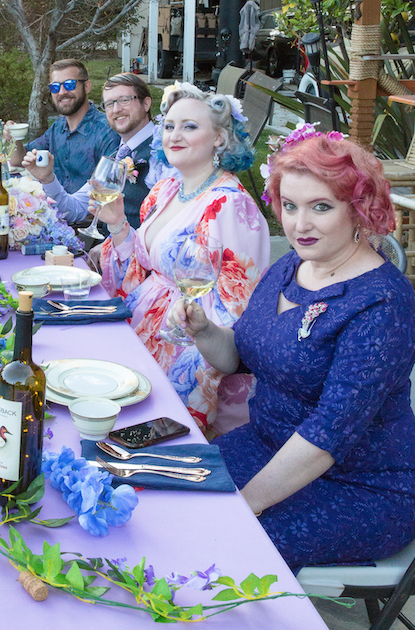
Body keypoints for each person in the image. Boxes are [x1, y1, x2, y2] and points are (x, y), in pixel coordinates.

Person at [170, 127, 415, 570]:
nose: (299, 225)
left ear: (359, 209)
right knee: (167, 497)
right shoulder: (292, 266)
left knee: (214, 550)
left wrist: (245, 506)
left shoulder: (383, 304)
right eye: (290, 206)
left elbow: (328, 436)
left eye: (321, 207)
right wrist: (205, 330)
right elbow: (241, 358)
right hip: (265, 445)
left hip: (359, 484)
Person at [98, 82, 270, 435]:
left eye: (190, 126)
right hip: (144, 325)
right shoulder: (167, 189)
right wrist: (118, 226)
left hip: (189, 346)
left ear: (219, 138)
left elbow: (239, 307)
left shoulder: (232, 206)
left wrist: (187, 348)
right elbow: (144, 272)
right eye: (169, 126)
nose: (174, 135)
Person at [21, 73, 174, 229]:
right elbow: (73, 210)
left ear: (146, 104)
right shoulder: (116, 156)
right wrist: (48, 179)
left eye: (124, 100)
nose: (116, 109)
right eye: (109, 104)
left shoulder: (166, 152)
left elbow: (170, 225)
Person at [7, 59, 120, 192]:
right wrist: (14, 138)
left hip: (89, 210)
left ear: (87, 86)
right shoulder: (58, 127)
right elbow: (19, 160)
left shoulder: (107, 130)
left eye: (69, 84)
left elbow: (109, 190)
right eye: (55, 87)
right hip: (53, 208)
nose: (61, 92)